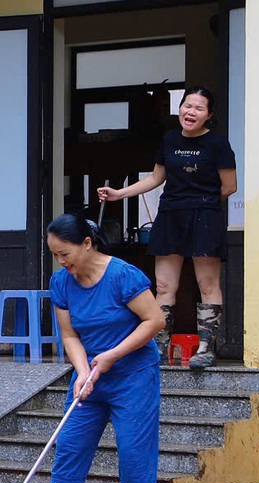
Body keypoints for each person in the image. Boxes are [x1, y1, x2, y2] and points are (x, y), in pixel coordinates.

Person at [19, 214, 166, 483]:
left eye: (65, 252)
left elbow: (154, 320)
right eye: (56, 254)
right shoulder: (62, 283)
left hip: (133, 375)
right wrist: (83, 370)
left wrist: (112, 355)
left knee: (133, 448)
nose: (62, 261)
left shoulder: (123, 277)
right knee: (70, 443)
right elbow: (69, 334)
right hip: (91, 375)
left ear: (87, 243)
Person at [98, 87, 236, 368]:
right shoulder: (170, 139)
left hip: (205, 216)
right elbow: (156, 178)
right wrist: (119, 193)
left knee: (207, 284)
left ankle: (206, 349)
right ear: (180, 108)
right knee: (163, 285)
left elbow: (229, 187)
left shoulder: (218, 144)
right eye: (187, 105)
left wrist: (203, 203)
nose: (191, 112)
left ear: (209, 115)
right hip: (170, 214)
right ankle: (158, 348)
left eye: (199, 108)